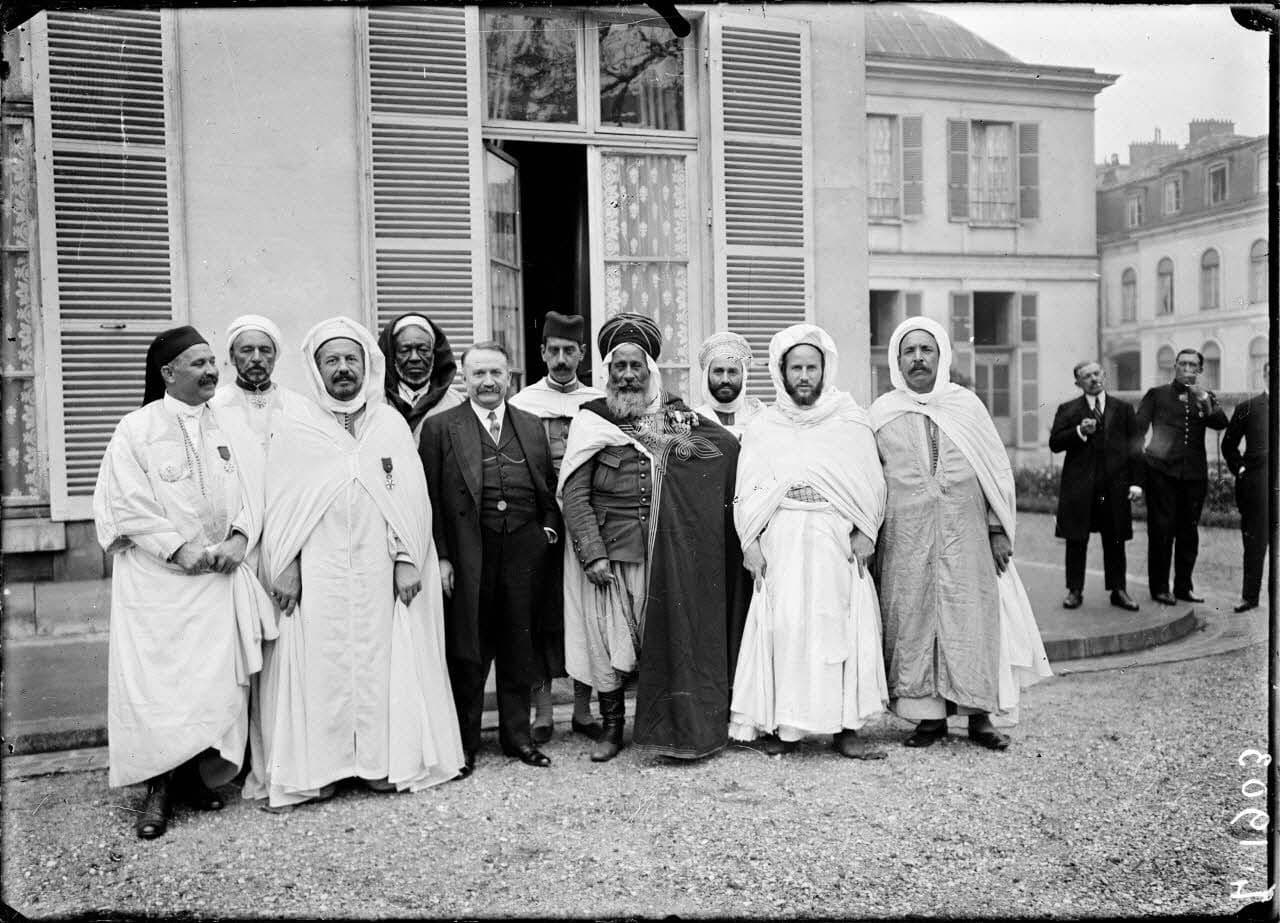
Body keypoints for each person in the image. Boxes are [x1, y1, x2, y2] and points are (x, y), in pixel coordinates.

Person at [248, 316, 463, 811]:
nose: (343, 369)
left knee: (377, 664)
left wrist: (408, 558)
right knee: (322, 668)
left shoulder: (387, 423)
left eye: (351, 359)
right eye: (332, 360)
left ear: (366, 365)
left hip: (376, 570)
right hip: (317, 574)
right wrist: (287, 566)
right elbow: (283, 506)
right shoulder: (295, 425)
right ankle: (319, 770)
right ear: (316, 367)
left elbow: (410, 499)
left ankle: (379, 763)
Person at [93, 326, 273, 839]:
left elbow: (255, 492)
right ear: (167, 373)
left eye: (213, 362)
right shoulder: (137, 428)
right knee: (160, 688)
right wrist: (177, 548)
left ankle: (195, 778)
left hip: (216, 580)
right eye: (198, 363)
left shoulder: (230, 424)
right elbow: (125, 502)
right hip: (158, 584)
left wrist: (240, 538)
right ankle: (158, 791)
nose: (212, 371)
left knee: (208, 686)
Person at [559, 312, 747, 762]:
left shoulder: (677, 418)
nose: (627, 376)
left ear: (650, 372)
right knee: (608, 642)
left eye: (635, 366)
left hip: (665, 552)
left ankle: (668, 727)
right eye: (618, 367)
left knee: (663, 641)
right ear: (608, 374)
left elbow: (725, 452)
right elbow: (574, 493)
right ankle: (611, 729)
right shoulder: (592, 420)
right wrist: (592, 554)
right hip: (612, 552)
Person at [870, 316, 1051, 750]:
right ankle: (926, 718)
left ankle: (979, 716)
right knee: (912, 621)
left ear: (941, 356)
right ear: (897, 361)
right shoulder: (881, 413)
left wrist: (996, 529)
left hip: (966, 535)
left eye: (926, 350)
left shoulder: (966, 406)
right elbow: (867, 478)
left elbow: (994, 472)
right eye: (909, 351)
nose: (918, 358)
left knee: (970, 618)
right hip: (906, 539)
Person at [729, 324, 889, 758]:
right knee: (788, 628)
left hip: (834, 537)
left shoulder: (849, 419)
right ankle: (787, 728)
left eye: (811, 367)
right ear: (782, 372)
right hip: (782, 537)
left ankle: (846, 728)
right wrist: (751, 542)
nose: (804, 376)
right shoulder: (766, 424)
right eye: (796, 367)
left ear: (825, 370)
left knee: (836, 628)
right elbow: (748, 488)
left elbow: (870, 482)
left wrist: (865, 531)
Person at [420, 341, 561, 775]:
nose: (487, 382)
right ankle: (463, 746)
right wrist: (442, 557)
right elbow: (428, 501)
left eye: (495, 374)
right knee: (469, 652)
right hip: (469, 553)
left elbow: (547, 487)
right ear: (464, 378)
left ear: (509, 378)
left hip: (523, 551)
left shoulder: (532, 425)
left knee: (520, 647)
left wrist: (547, 532)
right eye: (478, 374)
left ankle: (517, 738)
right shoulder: (441, 427)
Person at [508, 311, 605, 744]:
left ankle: (584, 711)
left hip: (587, 520)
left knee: (586, 613)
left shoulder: (599, 400)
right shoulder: (523, 403)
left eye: (570, 351)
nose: (562, 359)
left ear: (582, 354)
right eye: (554, 351)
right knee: (541, 615)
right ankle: (544, 711)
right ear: (542, 353)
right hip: (540, 523)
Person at [1135, 348, 1229, 605]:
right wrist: (1143, 465)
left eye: (1193, 365)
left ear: (1200, 370)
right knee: (1162, 531)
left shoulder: (1206, 396)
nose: (1187, 369)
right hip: (1161, 474)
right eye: (1183, 364)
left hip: (1193, 476)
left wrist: (1206, 402)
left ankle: (1183, 587)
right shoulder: (1157, 395)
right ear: (1174, 367)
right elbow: (1137, 431)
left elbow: (1222, 423)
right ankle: (1159, 588)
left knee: (1189, 532)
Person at [1048, 360, 1144, 611]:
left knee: (1115, 540)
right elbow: (1055, 443)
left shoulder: (1123, 409)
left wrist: (1136, 483)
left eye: (1096, 373)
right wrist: (1079, 431)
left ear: (1104, 375)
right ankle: (1074, 590)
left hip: (1114, 487)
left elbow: (1136, 447)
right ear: (1078, 383)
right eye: (1086, 376)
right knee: (1076, 539)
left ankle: (1118, 590)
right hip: (1079, 487)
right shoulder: (1068, 409)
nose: (1093, 379)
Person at [209, 315, 307, 448]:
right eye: (247, 350)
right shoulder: (214, 405)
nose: (256, 358)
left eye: (265, 350)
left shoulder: (295, 405)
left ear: (275, 356)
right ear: (232, 357)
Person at [1222, 361, 1270, 613]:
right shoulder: (1247, 408)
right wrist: (1241, 469)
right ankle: (1249, 597)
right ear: (1264, 375)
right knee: (1254, 544)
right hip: (1257, 486)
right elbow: (1228, 446)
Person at [377, 312, 463, 442]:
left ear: (434, 355)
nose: (414, 358)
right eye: (405, 350)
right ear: (393, 355)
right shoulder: (376, 401)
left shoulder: (455, 403)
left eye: (423, 350)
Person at [692, 331, 766, 439]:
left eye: (732, 372)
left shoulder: (760, 416)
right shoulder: (695, 421)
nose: (725, 380)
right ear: (707, 376)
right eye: (718, 371)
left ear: (743, 375)